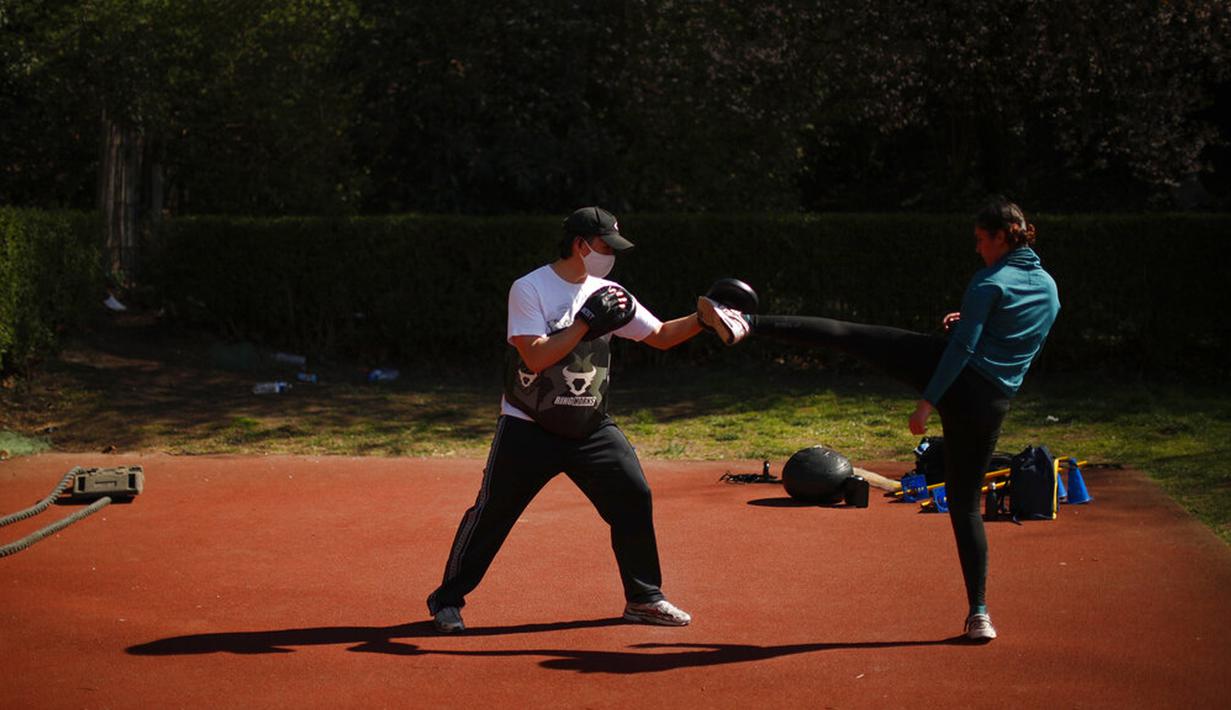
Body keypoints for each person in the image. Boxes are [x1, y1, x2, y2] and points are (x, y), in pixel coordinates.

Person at [697, 197, 1060, 643]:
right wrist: (970, 323)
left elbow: (963, 351)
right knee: (965, 506)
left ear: (1001, 237)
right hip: (992, 404)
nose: (978, 248)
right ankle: (979, 614)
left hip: (954, 380)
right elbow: (1017, 339)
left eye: (981, 239)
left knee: (853, 336)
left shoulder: (990, 280)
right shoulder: (1049, 288)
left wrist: (927, 403)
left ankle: (746, 321)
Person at [427, 206, 706, 633]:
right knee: (493, 513)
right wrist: (583, 324)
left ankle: (644, 599)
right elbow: (535, 357)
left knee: (633, 496)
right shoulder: (530, 288)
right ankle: (447, 602)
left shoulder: (611, 293)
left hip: (589, 425)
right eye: (605, 247)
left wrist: (705, 319)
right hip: (528, 425)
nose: (611, 256)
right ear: (580, 244)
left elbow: (663, 336)